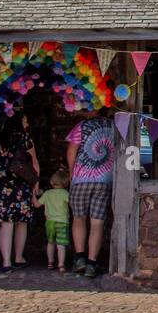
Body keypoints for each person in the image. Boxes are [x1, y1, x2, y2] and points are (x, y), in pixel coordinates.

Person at [0, 112, 39, 274]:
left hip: (2, 187)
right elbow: (34, 163)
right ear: (19, 123)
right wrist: (35, 185)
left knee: (6, 224)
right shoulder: (26, 140)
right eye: (24, 120)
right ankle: (19, 258)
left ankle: (6, 262)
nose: (26, 123)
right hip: (22, 186)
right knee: (21, 223)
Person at [65, 108, 115, 278]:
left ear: (94, 110)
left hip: (80, 179)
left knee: (78, 219)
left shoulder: (82, 126)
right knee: (97, 223)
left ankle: (80, 259)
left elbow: (71, 150)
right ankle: (92, 263)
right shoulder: (114, 127)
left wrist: (72, 173)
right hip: (104, 181)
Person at [35, 169, 71, 273]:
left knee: (50, 243)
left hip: (49, 222)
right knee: (61, 245)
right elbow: (72, 203)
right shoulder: (65, 193)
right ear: (66, 182)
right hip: (62, 222)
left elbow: (37, 204)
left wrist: (33, 195)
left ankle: (50, 262)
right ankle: (61, 265)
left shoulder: (47, 193)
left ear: (51, 182)